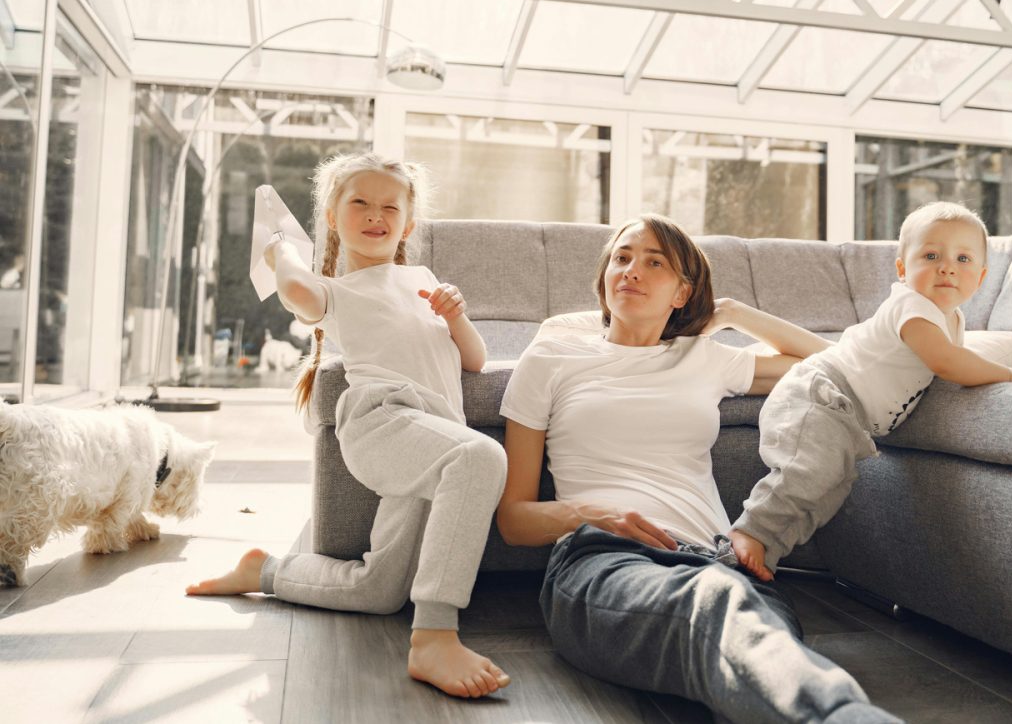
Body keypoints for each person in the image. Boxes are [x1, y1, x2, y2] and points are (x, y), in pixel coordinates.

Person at [497, 213, 899, 724]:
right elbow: (513, 519)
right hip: (605, 561)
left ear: (682, 293)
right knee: (717, 612)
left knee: (748, 653)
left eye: (653, 262)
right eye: (621, 258)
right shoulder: (551, 357)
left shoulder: (705, 357)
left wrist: (731, 311)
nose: (631, 270)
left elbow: (837, 360)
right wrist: (591, 514)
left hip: (722, 563)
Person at [186, 152, 511, 700]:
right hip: (384, 424)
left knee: (379, 590)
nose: (375, 214)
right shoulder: (335, 291)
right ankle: (434, 634)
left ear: (408, 224)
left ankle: (263, 571)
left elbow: (474, 361)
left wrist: (457, 316)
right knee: (481, 457)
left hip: (435, 439)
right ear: (333, 217)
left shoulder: (423, 278)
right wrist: (282, 249)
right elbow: (295, 293)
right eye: (359, 202)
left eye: (390, 206)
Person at [731, 201, 1012, 582]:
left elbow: (949, 360)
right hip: (821, 393)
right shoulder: (913, 306)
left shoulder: (953, 319)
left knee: (830, 486)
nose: (947, 266)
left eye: (963, 258)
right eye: (931, 255)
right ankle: (750, 532)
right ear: (902, 269)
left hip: (846, 414)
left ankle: (767, 549)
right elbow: (947, 362)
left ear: (981, 277)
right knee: (810, 472)